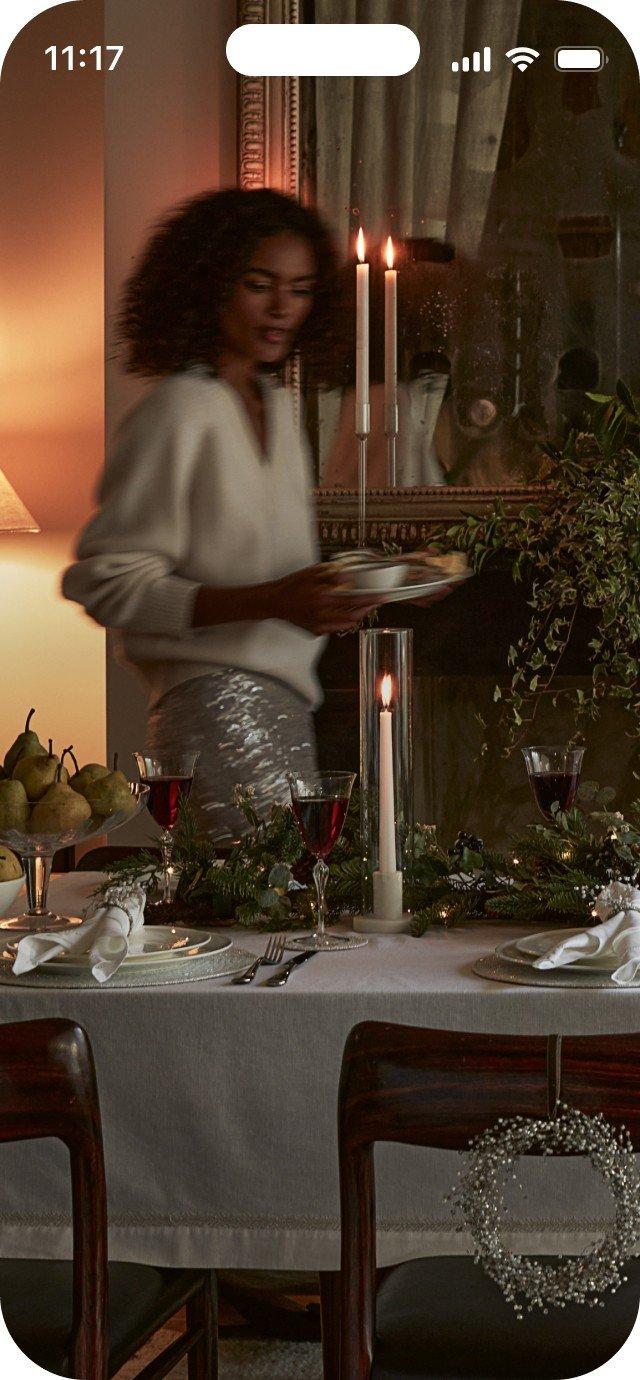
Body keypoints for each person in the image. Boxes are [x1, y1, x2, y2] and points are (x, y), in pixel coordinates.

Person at [63, 188, 383, 839]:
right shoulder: (178, 409)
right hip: (211, 708)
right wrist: (272, 600)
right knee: (253, 917)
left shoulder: (277, 407)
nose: (282, 308)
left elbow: (278, 574)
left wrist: (378, 585)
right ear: (208, 284)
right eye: (258, 284)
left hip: (291, 705)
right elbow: (105, 581)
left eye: (299, 288)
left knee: (289, 913)